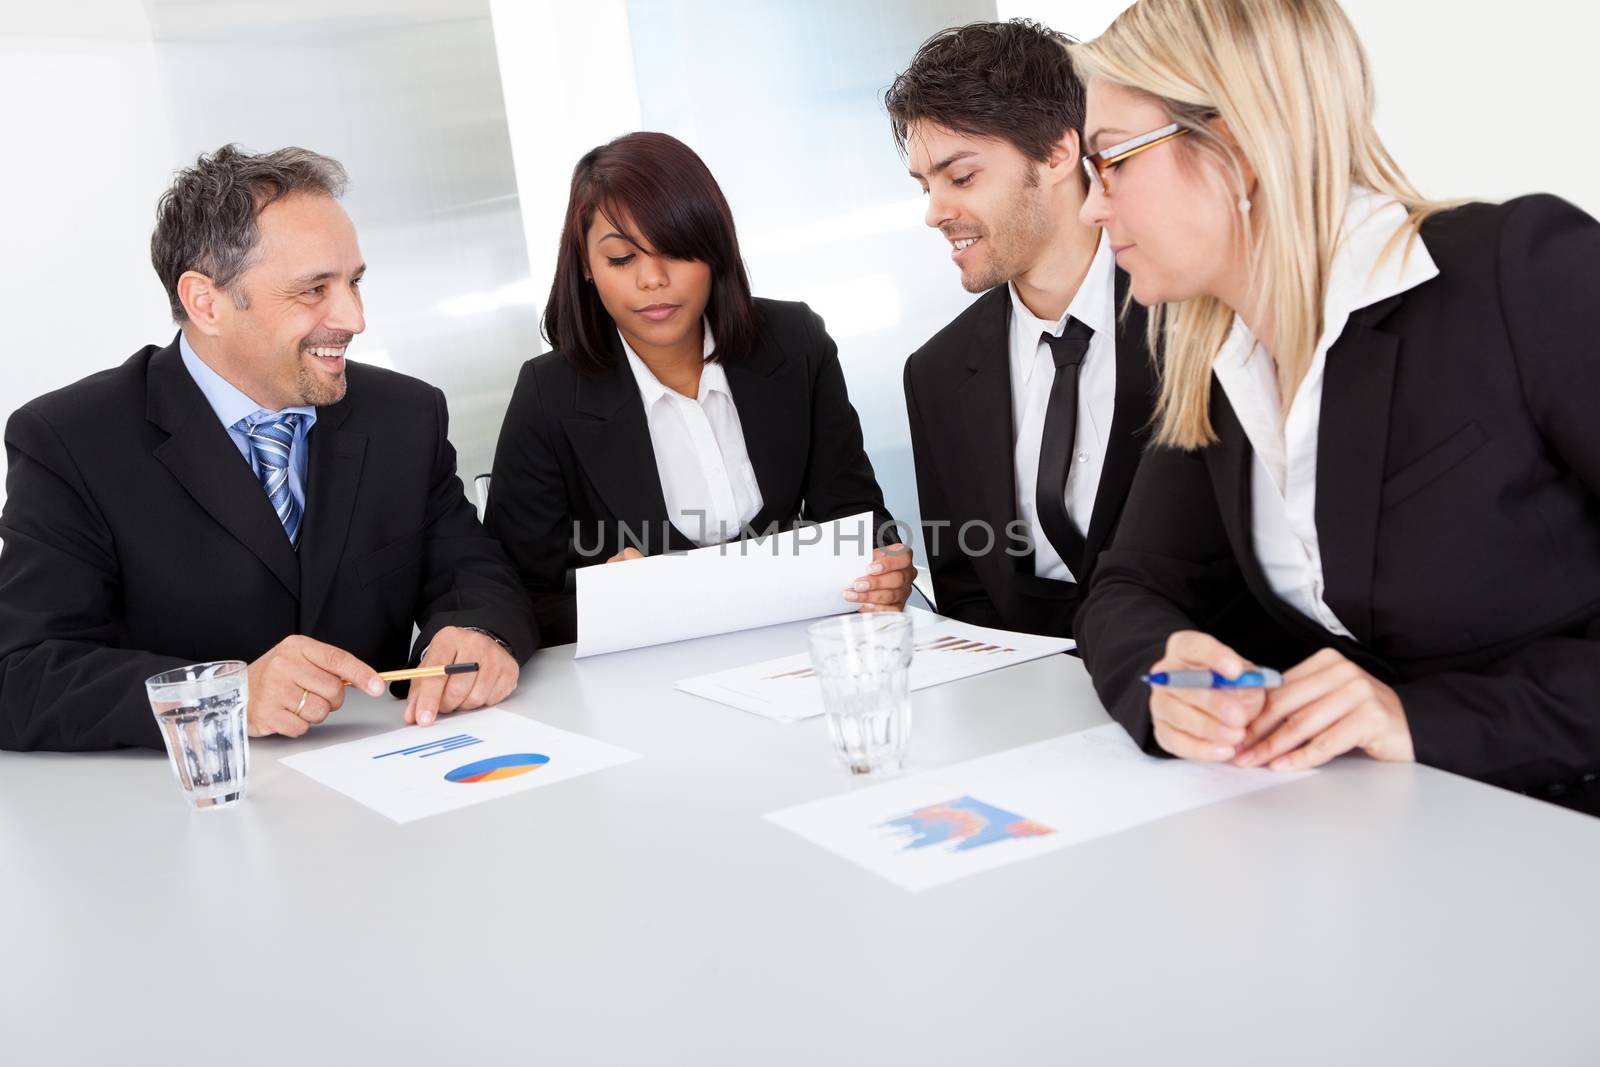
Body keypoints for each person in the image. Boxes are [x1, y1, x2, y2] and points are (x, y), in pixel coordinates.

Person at [1070, 0, 1600, 813]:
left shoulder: (1520, 274)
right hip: (1392, 840)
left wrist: (1424, 719)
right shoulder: (1220, 360)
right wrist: (1167, 672)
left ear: (1235, 148)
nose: (1091, 208)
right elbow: (1126, 587)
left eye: (1111, 162)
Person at [0, 145, 536, 752]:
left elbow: (474, 571)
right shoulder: (71, 439)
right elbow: (22, 674)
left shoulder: (405, 415)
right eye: (313, 290)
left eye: (354, 282)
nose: (354, 319)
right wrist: (226, 692)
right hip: (188, 816)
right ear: (207, 302)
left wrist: (476, 630)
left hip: (392, 779)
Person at [484, 132, 911, 646]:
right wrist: (606, 600)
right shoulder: (547, 394)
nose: (653, 279)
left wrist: (885, 567)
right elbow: (513, 595)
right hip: (646, 680)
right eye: (622, 258)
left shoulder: (795, 342)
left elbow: (857, 519)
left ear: (714, 250)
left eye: (678, 251)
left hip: (797, 650)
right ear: (586, 267)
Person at [886, 20, 1158, 639]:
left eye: (961, 177)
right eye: (926, 185)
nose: (935, 213)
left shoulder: (1190, 317)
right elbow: (964, 591)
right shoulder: (936, 373)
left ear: (1059, 154)